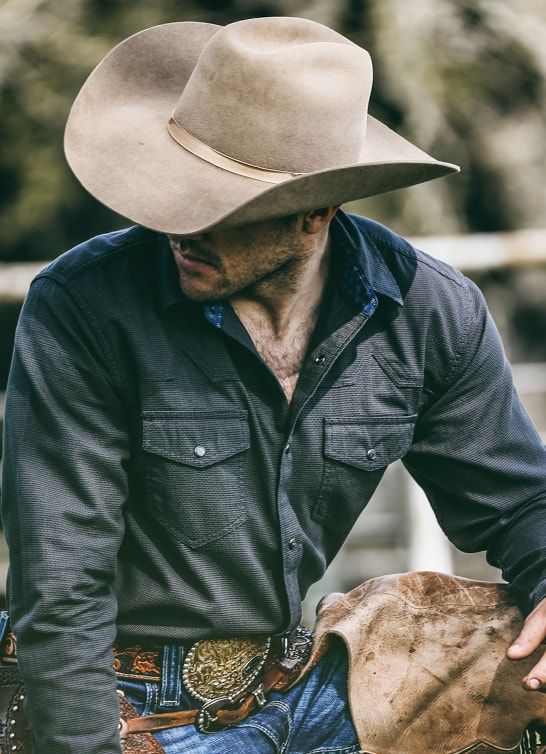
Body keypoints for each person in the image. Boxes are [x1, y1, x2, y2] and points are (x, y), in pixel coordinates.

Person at [2, 15, 546, 754]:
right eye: (173, 188)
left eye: (216, 207)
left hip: (293, 687)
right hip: (120, 702)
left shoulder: (427, 312)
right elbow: (61, 588)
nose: (178, 225)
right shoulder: (83, 306)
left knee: (518, 656)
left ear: (316, 211)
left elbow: (521, 502)